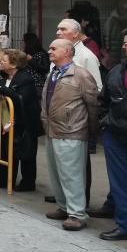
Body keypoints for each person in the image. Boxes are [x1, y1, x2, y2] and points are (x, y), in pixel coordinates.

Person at [41, 39, 99, 231]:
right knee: (56, 173)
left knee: (72, 175)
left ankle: (77, 213)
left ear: (66, 52)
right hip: (53, 129)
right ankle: (64, 206)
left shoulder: (81, 75)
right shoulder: (54, 73)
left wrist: (91, 133)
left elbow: (93, 105)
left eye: (53, 48)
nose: (49, 51)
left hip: (72, 131)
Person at [0, 49, 43, 191]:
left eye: (4, 61)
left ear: (14, 64)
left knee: (27, 154)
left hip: (25, 122)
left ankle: (28, 183)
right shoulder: (4, 76)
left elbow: (20, 99)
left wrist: (2, 90)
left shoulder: (25, 78)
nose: (1, 63)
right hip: (9, 120)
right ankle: (5, 179)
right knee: (6, 151)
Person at [99, 30, 127, 240]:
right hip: (116, 135)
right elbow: (104, 100)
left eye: (126, 43)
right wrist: (105, 123)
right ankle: (125, 225)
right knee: (120, 183)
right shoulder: (116, 71)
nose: (123, 46)